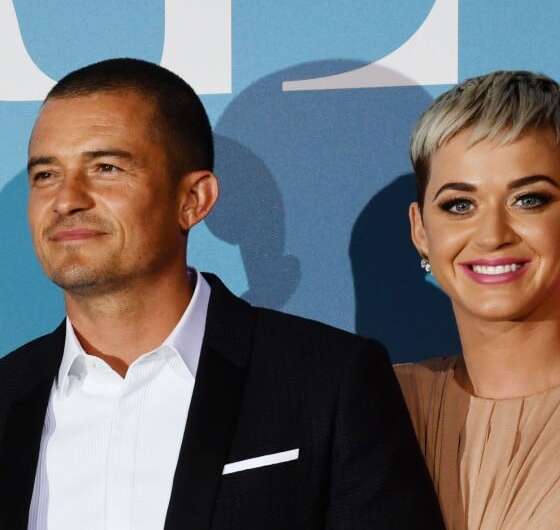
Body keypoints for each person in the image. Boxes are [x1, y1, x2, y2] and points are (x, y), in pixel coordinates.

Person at [0, 58, 443, 529]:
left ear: (193, 200)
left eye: (106, 168)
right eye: (45, 175)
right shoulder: (7, 396)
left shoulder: (327, 383)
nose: (66, 199)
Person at [396, 70, 560, 529]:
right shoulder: (376, 403)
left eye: (529, 199)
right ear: (421, 230)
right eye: (460, 205)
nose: (493, 235)